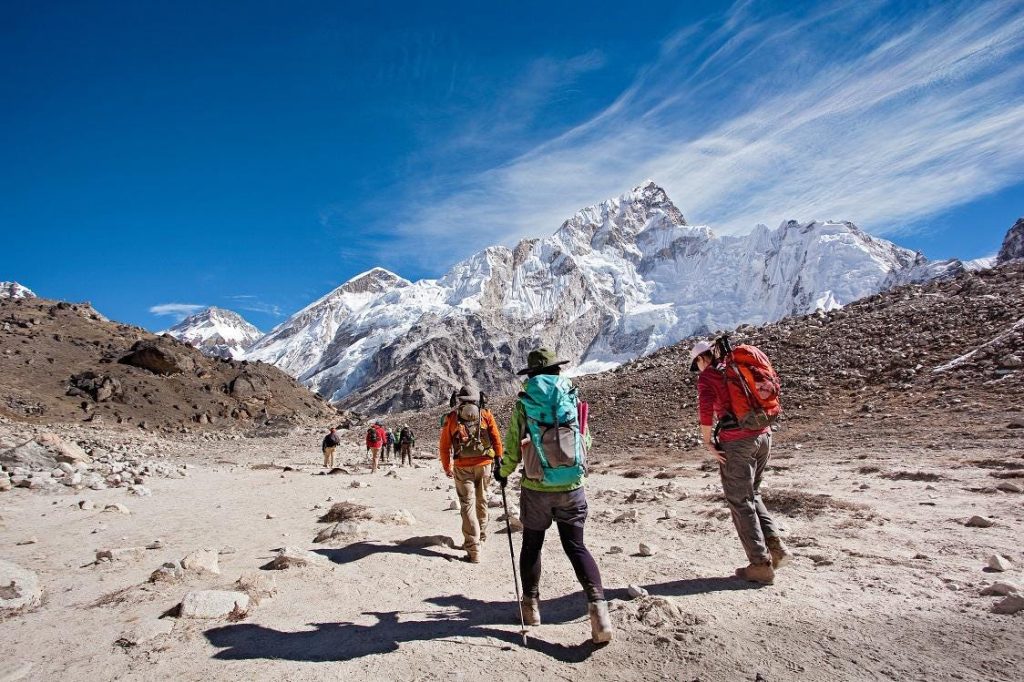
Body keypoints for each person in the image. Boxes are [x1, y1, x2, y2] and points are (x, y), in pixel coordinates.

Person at [495, 348, 613, 645]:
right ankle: (599, 613)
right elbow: (584, 437)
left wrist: (503, 472)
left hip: (536, 487)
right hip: (572, 485)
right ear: (556, 370)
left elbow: (511, 446)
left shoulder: (525, 402)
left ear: (532, 374)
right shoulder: (571, 397)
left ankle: (531, 607)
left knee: (532, 545)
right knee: (576, 546)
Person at [689, 339, 790, 585]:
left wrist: (707, 442)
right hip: (764, 435)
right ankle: (775, 549)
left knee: (739, 500)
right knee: (753, 493)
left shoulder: (708, 377)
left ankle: (760, 565)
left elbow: (705, 411)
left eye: (696, 366)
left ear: (702, 359)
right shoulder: (734, 368)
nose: (698, 371)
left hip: (738, 442)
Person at [439, 385, 503, 563]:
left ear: (459, 399)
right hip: (484, 465)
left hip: (462, 466)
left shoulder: (452, 418)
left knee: (467, 505)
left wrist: (447, 467)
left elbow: (444, 446)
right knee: (482, 501)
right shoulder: (485, 414)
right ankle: (481, 537)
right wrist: (499, 459)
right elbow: (496, 439)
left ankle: (473, 549)